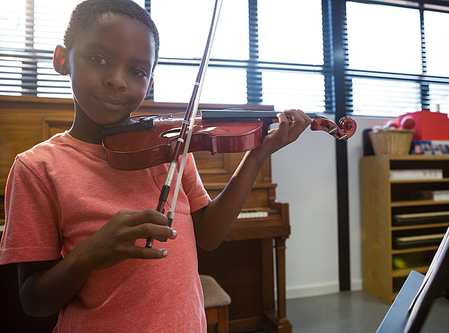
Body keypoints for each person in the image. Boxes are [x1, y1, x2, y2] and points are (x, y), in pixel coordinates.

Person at [0, 0, 311, 332]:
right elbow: (33, 301)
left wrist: (258, 154)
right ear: (62, 60)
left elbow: (208, 235)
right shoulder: (38, 168)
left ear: (149, 82)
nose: (117, 80)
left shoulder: (171, 146)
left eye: (136, 70)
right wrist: (88, 255)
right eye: (98, 59)